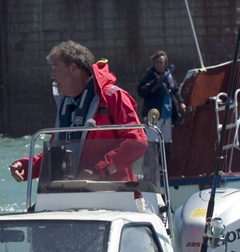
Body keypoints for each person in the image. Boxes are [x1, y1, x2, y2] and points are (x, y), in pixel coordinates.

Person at [10, 41, 147, 183]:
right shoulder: (66, 107)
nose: (52, 75)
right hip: (74, 195)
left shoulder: (114, 97)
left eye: (56, 69)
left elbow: (137, 142)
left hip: (115, 194)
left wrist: (100, 169)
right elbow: (57, 155)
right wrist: (27, 167)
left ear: (73, 69)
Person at [137, 51, 185, 172]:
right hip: (154, 115)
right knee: (152, 142)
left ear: (165, 63)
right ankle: (148, 169)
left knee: (166, 142)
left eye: (161, 62)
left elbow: (175, 90)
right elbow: (141, 91)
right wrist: (155, 82)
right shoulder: (150, 76)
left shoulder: (169, 76)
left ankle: (162, 168)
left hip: (167, 115)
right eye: (157, 62)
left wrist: (181, 102)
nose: (159, 65)